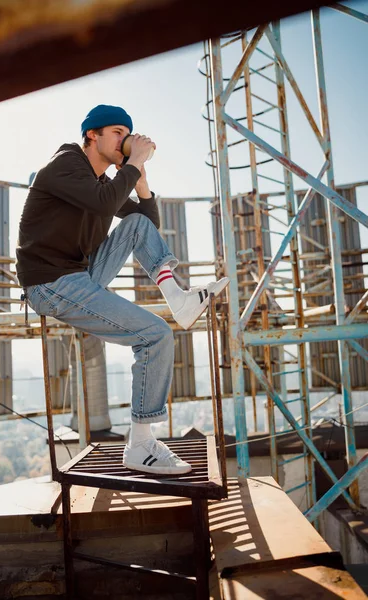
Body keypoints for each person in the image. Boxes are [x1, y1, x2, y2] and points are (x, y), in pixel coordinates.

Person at [16, 104, 229, 476]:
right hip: (50, 283)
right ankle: (141, 445)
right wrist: (132, 166)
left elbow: (147, 224)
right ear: (92, 136)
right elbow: (103, 203)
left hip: (80, 275)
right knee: (156, 335)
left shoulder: (103, 185)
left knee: (133, 224)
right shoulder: (65, 165)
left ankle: (178, 299)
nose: (125, 140)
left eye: (127, 134)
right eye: (117, 132)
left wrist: (141, 179)